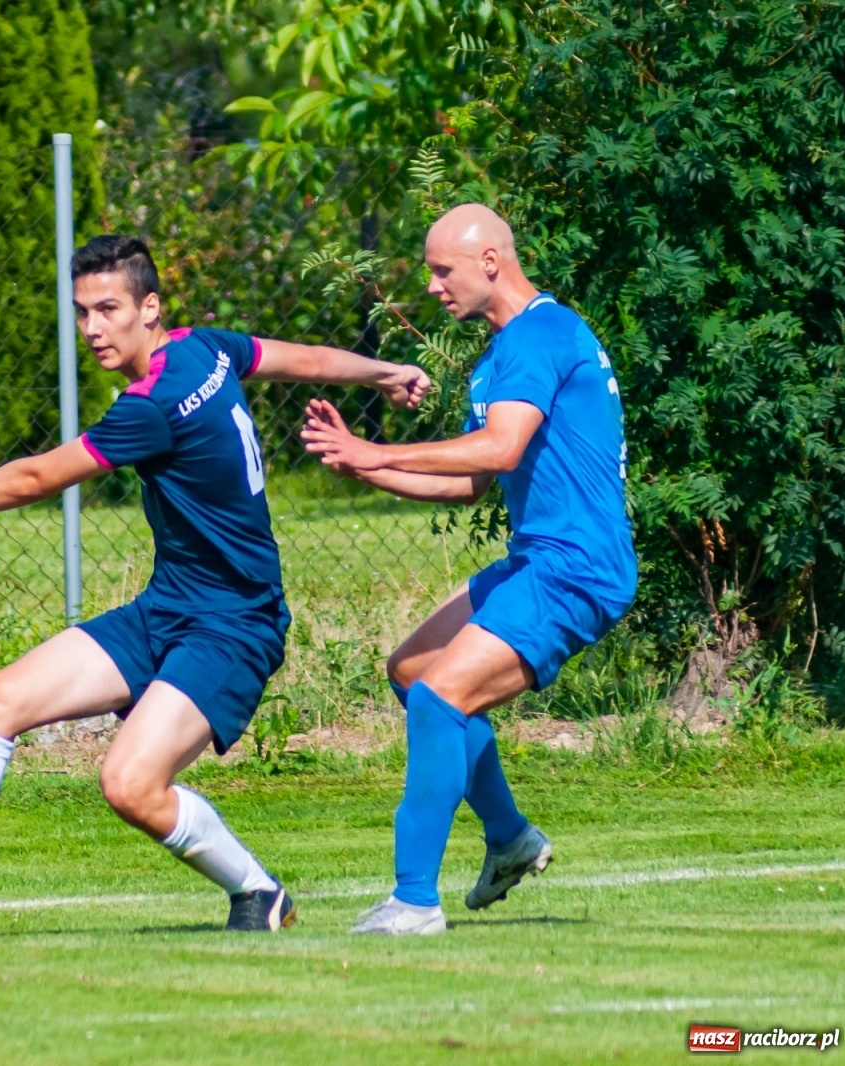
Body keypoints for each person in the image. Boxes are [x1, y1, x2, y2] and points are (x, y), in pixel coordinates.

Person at [0, 234, 430, 932]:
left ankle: (259, 892)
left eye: (107, 309)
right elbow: (304, 360)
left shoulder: (153, 403)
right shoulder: (204, 348)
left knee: (130, 784)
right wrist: (381, 372)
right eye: (81, 312)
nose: (93, 328)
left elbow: (39, 475)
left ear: (148, 307)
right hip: (167, 609)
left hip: (234, 626)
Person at [303, 204, 637, 935]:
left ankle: (414, 901)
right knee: (413, 670)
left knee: (439, 698)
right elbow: (469, 480)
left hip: (576, 570)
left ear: (490, 260)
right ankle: (511, 837)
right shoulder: (500, 353)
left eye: (440, 269)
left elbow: (500, 449)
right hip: (541, 560)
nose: (430, 286)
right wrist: (362, 464)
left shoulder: (540, 336)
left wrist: (380, 451)